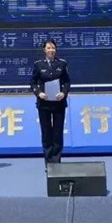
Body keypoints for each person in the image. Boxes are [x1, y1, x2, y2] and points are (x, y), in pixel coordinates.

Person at [30, 38, 71, 170]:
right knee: (46, 133)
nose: (51, 50)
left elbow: (67, 82)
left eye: (53, 48)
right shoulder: (38, 65)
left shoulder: (62, 64)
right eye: (48, 48)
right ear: (44, 50)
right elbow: (32, 82)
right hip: (44, 104)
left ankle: (57, 162)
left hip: (59, 103)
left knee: (58, 133)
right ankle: (48, 163)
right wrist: (39, 93)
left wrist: (64, 93)